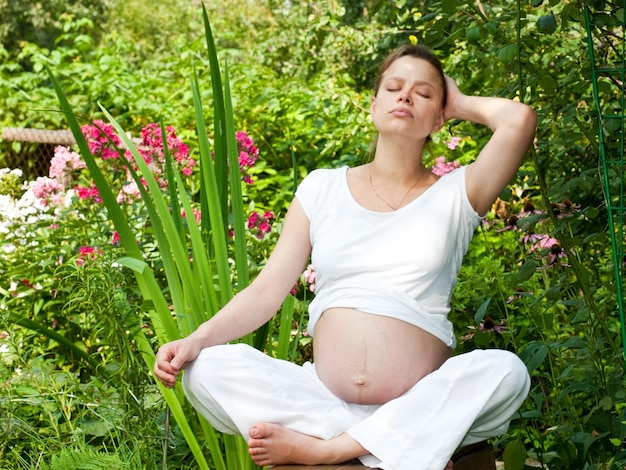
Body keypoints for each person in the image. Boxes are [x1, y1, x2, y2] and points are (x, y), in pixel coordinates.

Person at [154, 44, 537, 470]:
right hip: (323, 399)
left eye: (424, 93)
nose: (406, 96)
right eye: (394, 87)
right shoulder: (322, 188)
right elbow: (267, 291)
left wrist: (459, 101)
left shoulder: (457, 193)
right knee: (206, 368)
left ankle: (333, 449)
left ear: (439, 117)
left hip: (416, 399)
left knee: (506, 372)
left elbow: (519, 121)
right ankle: (388, 446)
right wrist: (196, 340)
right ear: (373, 105)